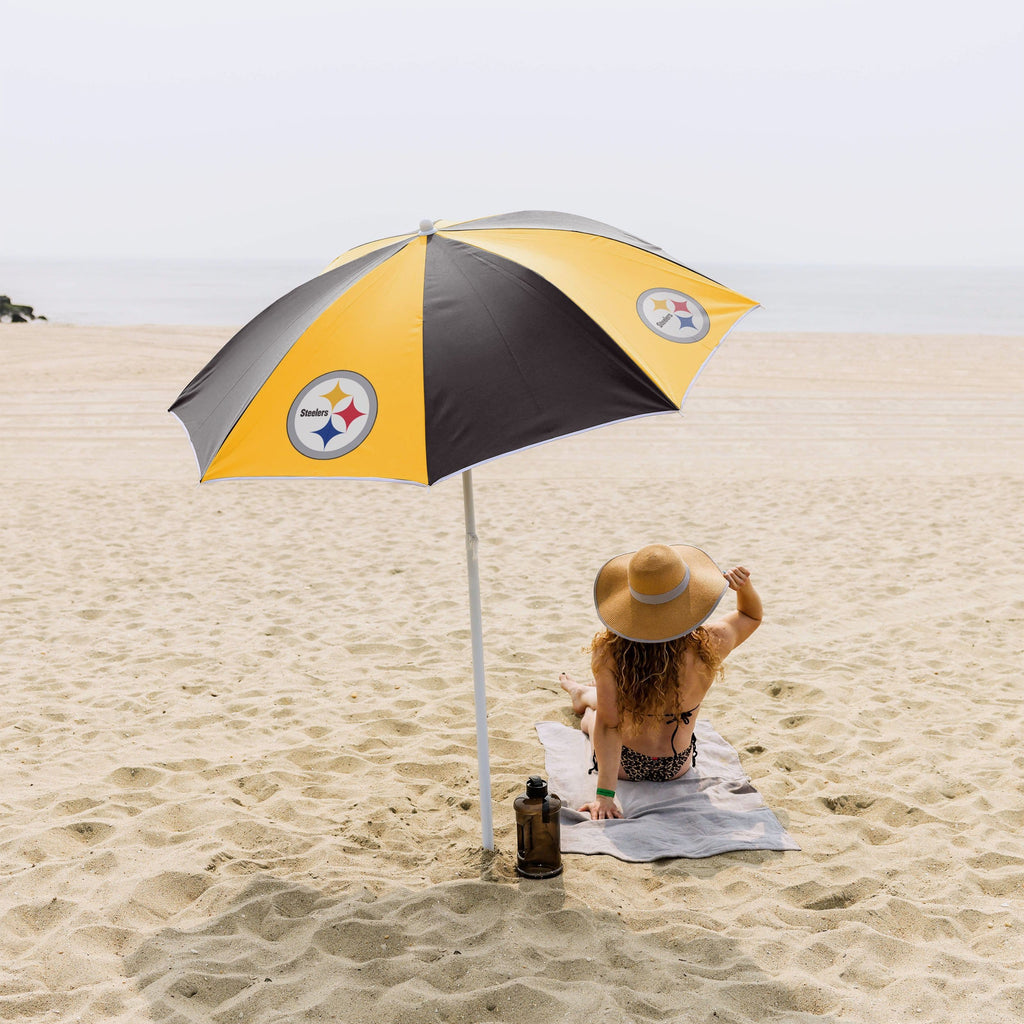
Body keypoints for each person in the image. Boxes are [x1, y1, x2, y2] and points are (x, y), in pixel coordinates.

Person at [559, 543, 762, 820]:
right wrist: (744, 587)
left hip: (624, 766)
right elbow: (751, 616)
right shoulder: (709, 644)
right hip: (677, 765)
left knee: (596, 718)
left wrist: (604, 797)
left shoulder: (611, 653)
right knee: (611, 707)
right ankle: (583, 694)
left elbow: (610, 725)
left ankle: (582, 696)